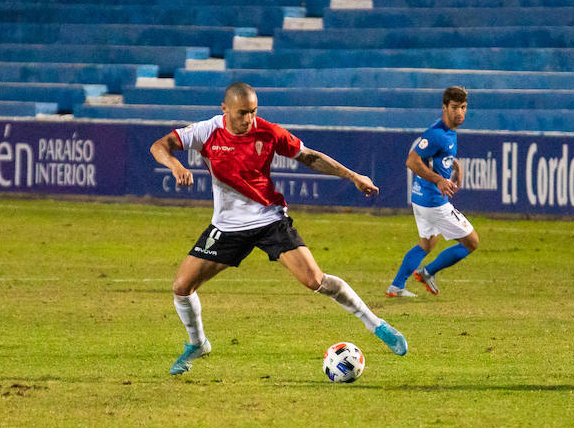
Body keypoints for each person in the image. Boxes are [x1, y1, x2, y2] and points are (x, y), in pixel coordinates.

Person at [150, 81, 408, 375]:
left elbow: (310, 157)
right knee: (182, 287)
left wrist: (352, 176)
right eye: (242, 113)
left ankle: (376, 324)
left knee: (315, 280)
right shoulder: (207, 131)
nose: (248, 119)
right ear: (225, 109)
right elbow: (159, 145)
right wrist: (175, 165)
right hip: (227, 226)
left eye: (253, 112)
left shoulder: (269, 132)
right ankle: (198, 344)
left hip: (269, 219)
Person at [386, 86, 479, 298]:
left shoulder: (446, 132)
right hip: (433, 201)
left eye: (463, 108)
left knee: (427, 244)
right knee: (472, 242)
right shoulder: (436, 134)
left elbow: (438, 156)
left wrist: (455, 166)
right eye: (455, 107)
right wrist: (438, 179)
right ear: (444, 107)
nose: (460, 113)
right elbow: (412, 160)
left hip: (421, 198)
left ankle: (396, 286)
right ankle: (428, 272)